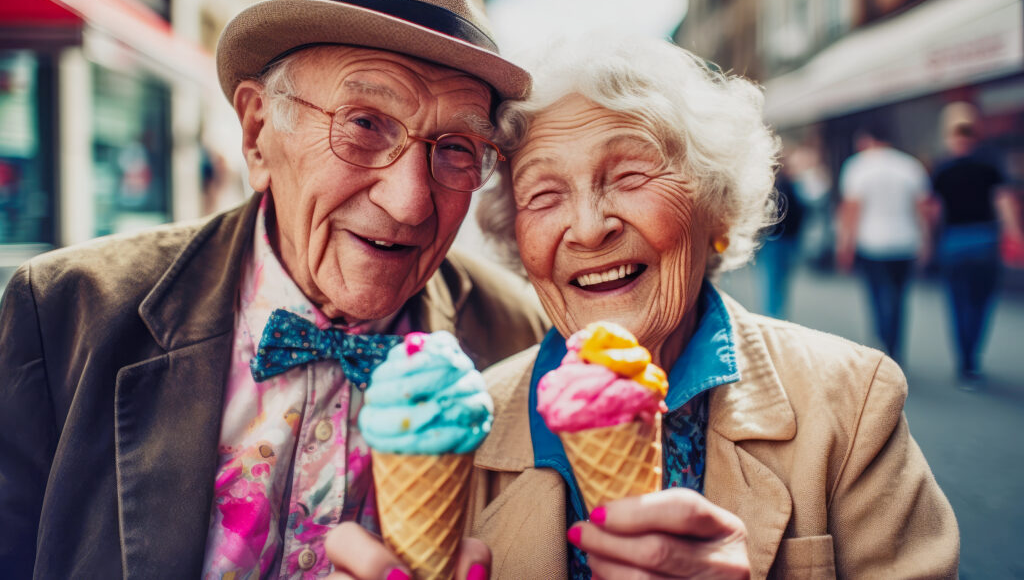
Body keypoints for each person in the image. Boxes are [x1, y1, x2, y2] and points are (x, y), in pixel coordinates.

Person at [0, 0, 550, 578]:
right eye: (364, 123)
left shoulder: (519, 340)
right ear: (258, 132)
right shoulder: (63, 314)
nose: (410, 202)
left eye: (457, 148)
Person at [326, 36, 958, 578]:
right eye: (544, 195)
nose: (588, 228)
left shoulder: (853, 402)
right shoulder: (455, 427)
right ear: (519, 243)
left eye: (630, 176)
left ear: (717, 209)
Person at [930, 102, 1024, 388]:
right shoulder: (989, 164)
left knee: (957, 302)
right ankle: (973, 358)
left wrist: (930, 241)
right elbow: (1004, 203)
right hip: (984, 239)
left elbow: (934, 211)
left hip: (953, 242)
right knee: (981, 301)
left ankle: (965, 360)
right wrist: (1015, 234)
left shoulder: (941, 167)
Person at [836, 125, 931, 363]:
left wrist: (845, 244)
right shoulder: (910, 166)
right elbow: (922, 208)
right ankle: (895, 344)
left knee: (876, 294)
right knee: (899, 296)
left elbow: (851, 210)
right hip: (905, 241)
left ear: (867, 140)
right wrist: (926, 241)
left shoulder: (858, 167)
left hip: (871, 242)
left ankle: (881, 338)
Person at [757, 159, 805, 318]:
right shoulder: (785, 186)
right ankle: (774, 313)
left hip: (777, 239)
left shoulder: (775, 187)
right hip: (781, 240)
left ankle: (774, 313)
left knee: (774, 279)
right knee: (777, 279)